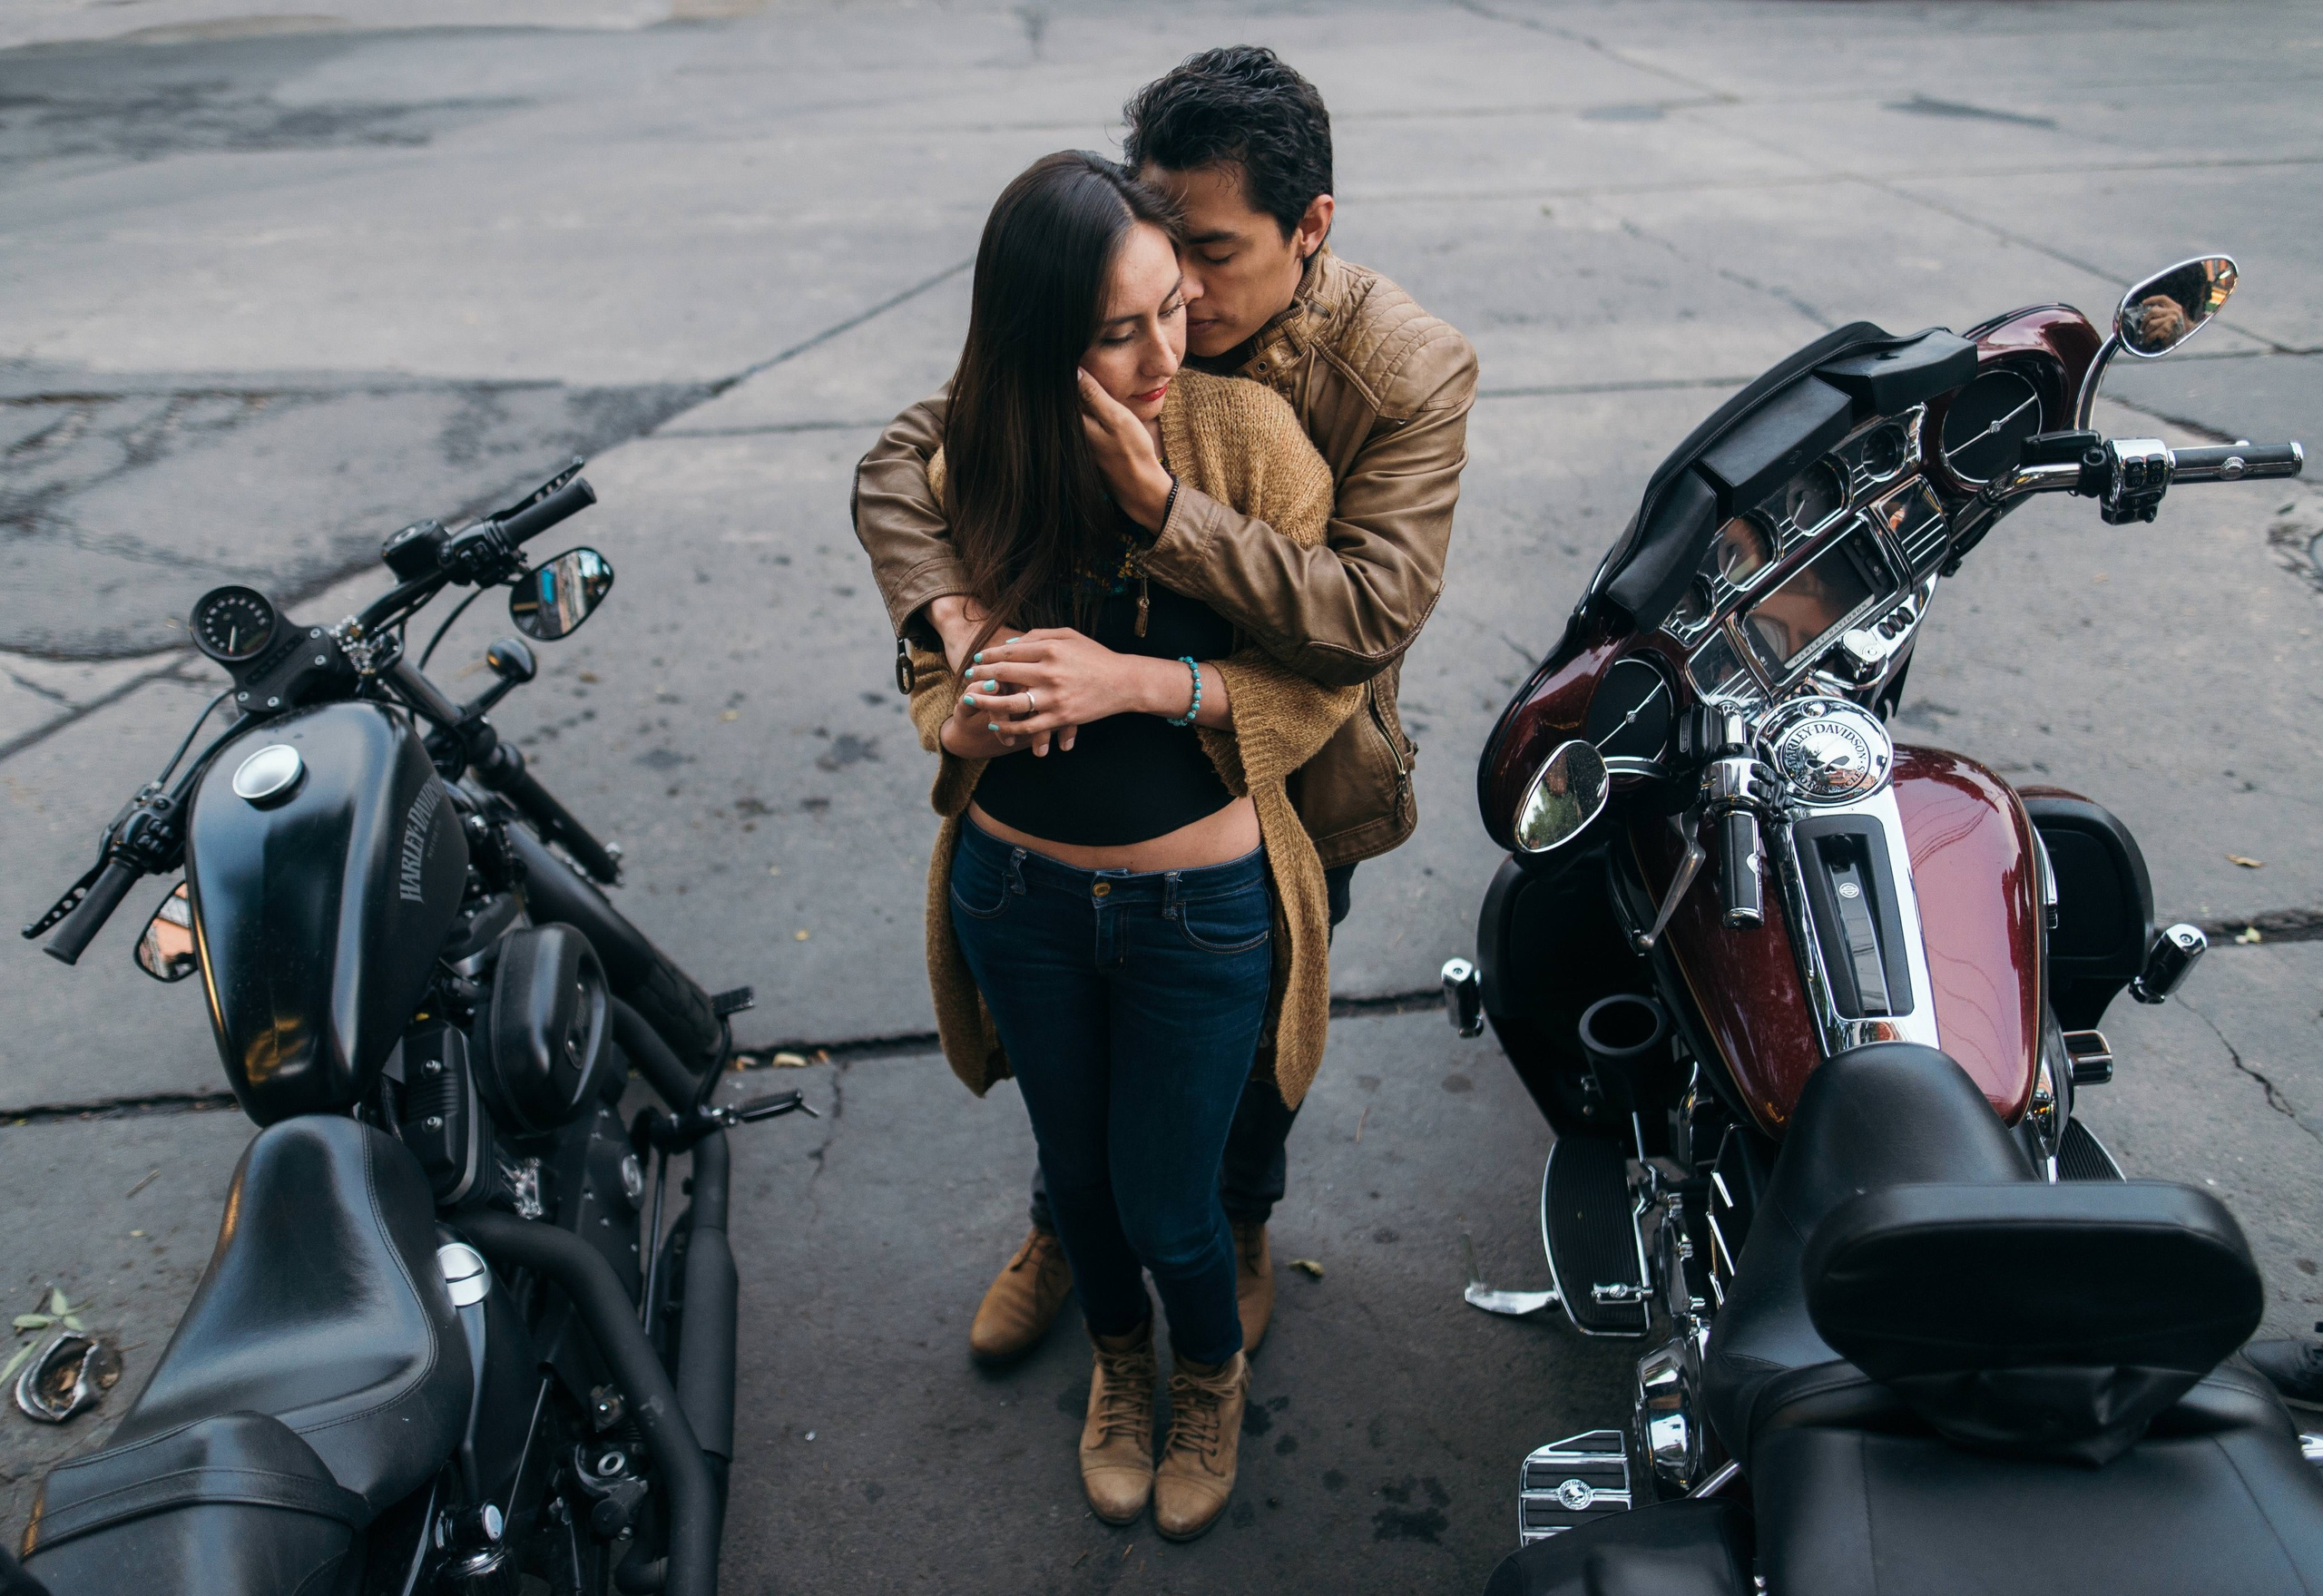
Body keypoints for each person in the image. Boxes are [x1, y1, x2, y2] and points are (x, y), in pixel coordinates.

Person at [854, 45, 1476, 1366]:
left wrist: (1165, 513)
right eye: (1153, 241)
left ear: (1310, 230)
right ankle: (1069, 1230)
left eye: (1206, 249)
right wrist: (957, 632)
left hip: (1301, 774)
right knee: (1076, 1057)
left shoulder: (1405, 372)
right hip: (1071, 812)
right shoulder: (1122, 299)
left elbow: (1366, 619)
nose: (1175, 287)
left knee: (1241, 1057)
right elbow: (911, 455)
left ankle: (1233, 1222)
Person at [901, 150, 1361, 1540]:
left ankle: (1205, 1379)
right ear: (1041, 335)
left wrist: (1137, 676)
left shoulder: (1248, 442)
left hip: (1197, 912)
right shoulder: (971, 456)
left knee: (1174, 1201)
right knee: (1083, 1186)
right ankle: (1116, 1366)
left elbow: (1327, 673)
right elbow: (932, 672)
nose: (1167, 346)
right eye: (1121, 328)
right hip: (1015, 893)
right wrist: (965, 715)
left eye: (1174, 306)